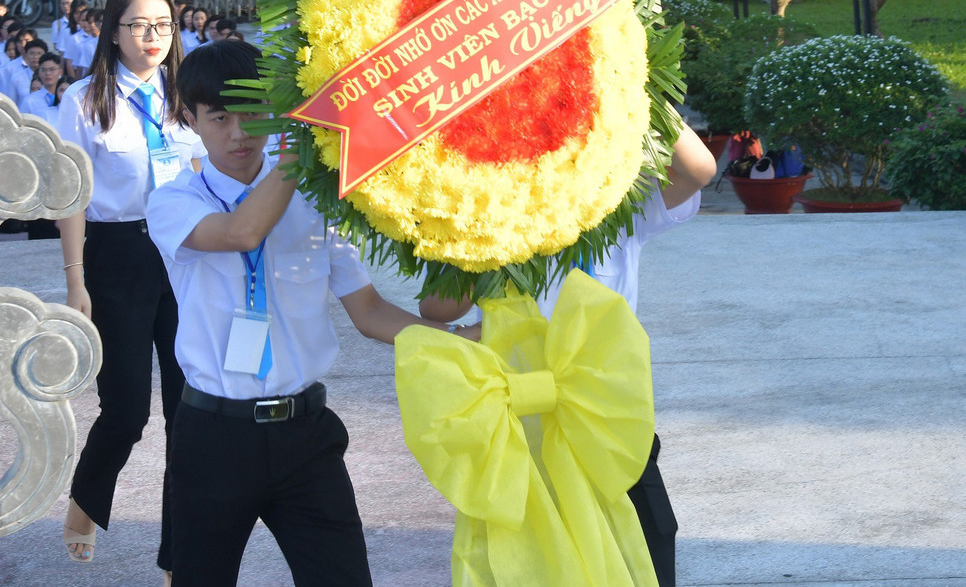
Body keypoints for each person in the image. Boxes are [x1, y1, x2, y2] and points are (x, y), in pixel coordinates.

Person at [144, 39, 478, 585]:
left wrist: (462, 339)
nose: (240, 132)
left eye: (255, 113)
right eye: (221, 117)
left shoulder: (318, 202)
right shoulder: (173, 202)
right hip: (214, 437)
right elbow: (241, 231)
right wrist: (302, 152)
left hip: (306, 436)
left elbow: (369, 313)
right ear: (190, 119)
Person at [419, 116, 718, 587]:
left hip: (605, 418)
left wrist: (639, 82)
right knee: (540, 560)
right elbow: (435, 306)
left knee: (646, 543)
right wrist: (487, 241)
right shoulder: (490, 217)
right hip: (524, 428)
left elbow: (698, 170)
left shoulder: (618, 208)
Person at [54, 0, 204, 573]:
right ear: (112, 31)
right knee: (126, 408)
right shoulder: (85, 100)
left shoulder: (188, 94)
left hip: (187, 253)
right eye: (139, 24)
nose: (153, 36)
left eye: (163, 24)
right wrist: (75, 278)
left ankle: (178, 554)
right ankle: (87, 501)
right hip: (117, 257)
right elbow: (71, 197)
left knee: (189, 410)